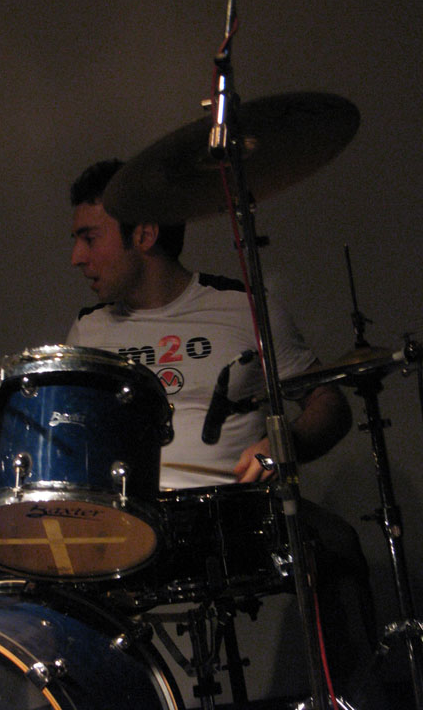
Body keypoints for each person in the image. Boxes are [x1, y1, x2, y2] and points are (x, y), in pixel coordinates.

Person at [65, 158, 381, 702]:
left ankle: (347, 699)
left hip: (242, 513)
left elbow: (329, 403)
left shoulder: (242, 307)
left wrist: (285, 444)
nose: (77, 257)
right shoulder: (88, 330)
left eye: (89, 238)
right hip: (140, 521)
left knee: (336, 544)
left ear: (145, 234)